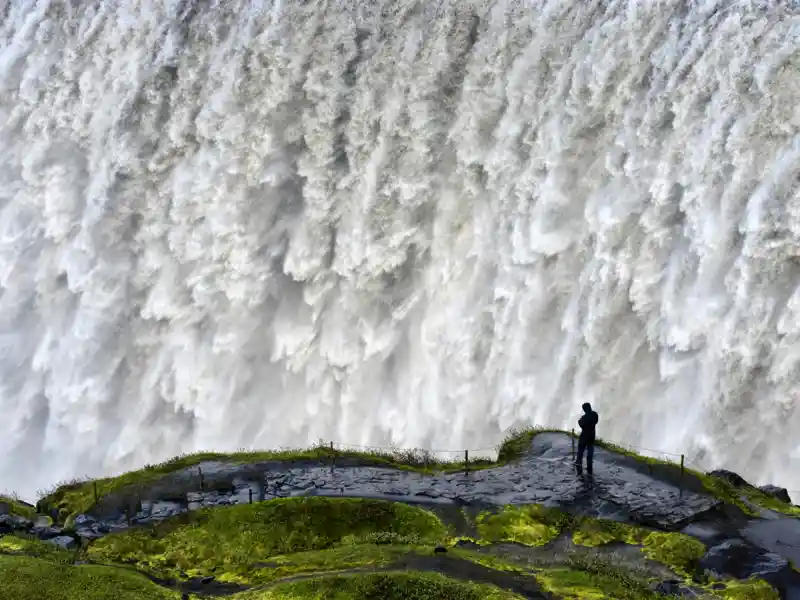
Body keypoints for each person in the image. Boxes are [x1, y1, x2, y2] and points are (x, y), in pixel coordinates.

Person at [575, 402, 599, 475]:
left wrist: (579, 421)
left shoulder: (584, 417)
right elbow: (596, 421)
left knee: (581, 450)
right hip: (592, 435)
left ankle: (578, 463)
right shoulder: (595, 414)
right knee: (590, 450)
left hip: (584, 436)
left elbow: (581, 424)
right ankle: (589, 464)